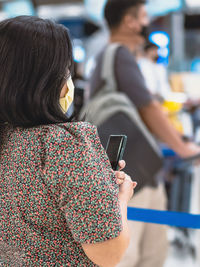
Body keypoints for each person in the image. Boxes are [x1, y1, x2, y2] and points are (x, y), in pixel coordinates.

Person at [0, 16, 137, 267]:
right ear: (46, 77)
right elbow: (108, 252)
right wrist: (121, 198)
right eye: (65, 68)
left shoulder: (7, 138)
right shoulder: (62, 144)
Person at [88, 1, 200, 267]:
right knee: (137, 257)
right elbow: (148, 108)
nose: (149, 22)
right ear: (130, 21)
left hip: (132, 174)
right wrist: (184, 148)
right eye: (145, 16)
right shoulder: (119, 54)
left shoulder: (105, 57)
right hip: (133, 179)